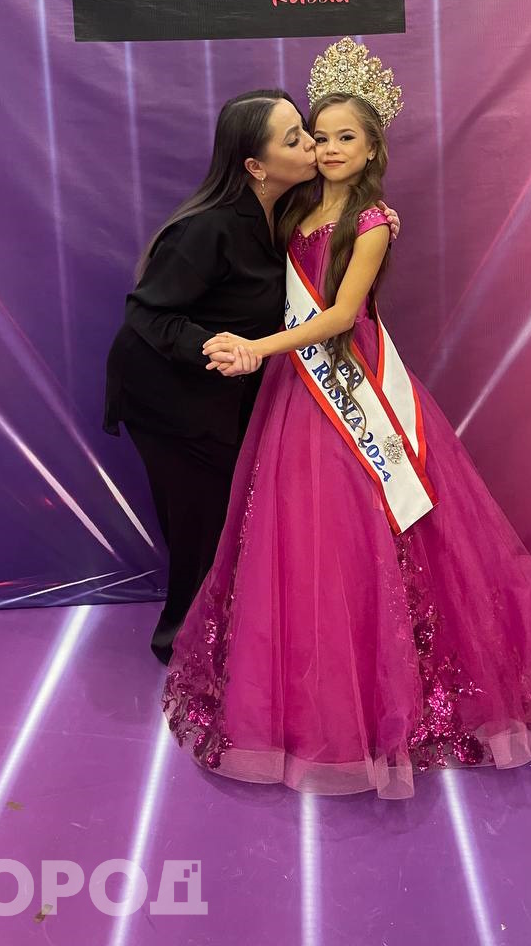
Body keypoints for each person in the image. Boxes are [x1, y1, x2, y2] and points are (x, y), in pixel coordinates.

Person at [161, 38, 531, 799]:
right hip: (297, 387)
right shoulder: (300, 204)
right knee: (301, 526)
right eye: (319, 135)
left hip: (351, 374)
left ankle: (385, 676)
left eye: (346, 137)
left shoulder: (372, 220)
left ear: (372, 146)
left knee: (373, 517)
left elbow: (339, 315)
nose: (329, 148)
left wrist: (256, 347)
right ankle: (309, 668)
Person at [103, 88, 399, 665]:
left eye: (309, 131)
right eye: (297, 139)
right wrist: (218, 350)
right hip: (166, 397)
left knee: (230, 519)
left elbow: (338, 237)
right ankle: (181, 645)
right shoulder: (209, 228)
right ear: (256, 166)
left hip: (225, 390)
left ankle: (223, 634)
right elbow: (146, 313)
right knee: (200, 526)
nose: (314, 145)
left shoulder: (285, 212)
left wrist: (378, 218)